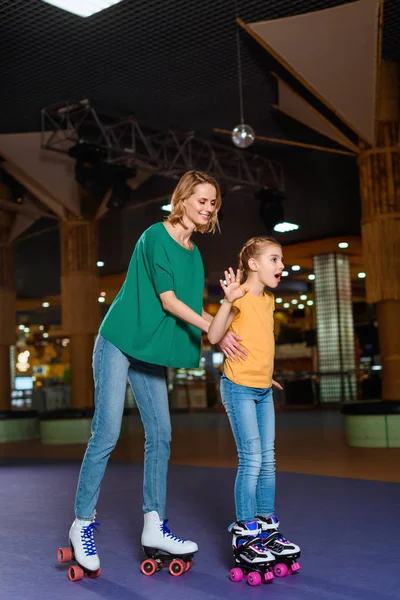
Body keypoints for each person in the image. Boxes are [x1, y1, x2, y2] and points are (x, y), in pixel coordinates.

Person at [67, 170, 243, 575]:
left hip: (149, 352)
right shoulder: (154, 236)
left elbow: (192, 306)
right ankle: (82, 523)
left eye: (213, 202)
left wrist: (224, 329)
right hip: (118, 339)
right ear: (181, 199)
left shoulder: (194, 254)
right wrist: (212, 326)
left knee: (161, 434)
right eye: (201, 199)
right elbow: (169, 302)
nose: (208, 207)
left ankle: (153, 525)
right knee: (107, 431)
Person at [208, 237, 301, 579]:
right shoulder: (240, 296)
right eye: (274, 259)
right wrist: (226, 302)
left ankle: (267, 529)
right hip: (238, 389)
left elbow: (260, 340)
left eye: (281, 260)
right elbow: (215, 336)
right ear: (253, 265)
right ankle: (245, 533)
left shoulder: (270, 300)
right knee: (252, 459)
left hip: (262, 389)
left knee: (269, 460)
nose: (281, 266)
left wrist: (267, 375)